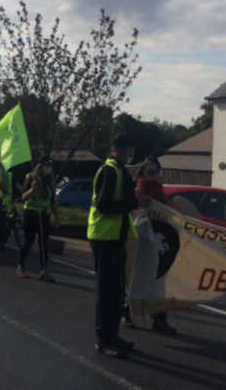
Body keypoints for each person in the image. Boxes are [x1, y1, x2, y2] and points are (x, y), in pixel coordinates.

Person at [87, 132, 144, 358]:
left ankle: (113, 336)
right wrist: (128, 204)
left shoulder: (120, 171)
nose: (131, 154)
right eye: (129, 149)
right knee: (107, 292)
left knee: (117, 292)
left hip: (116, 238)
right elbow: (103, 205)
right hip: (103, 238)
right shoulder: (109, 171)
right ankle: (103, 339)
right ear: (118, 149)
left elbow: (127, 200)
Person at [132, 156, 178, 335]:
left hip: (160, 243)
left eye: (158, 171)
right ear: (142, 174)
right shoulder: (140, 192)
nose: (156, 175)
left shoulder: (158, 191)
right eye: (151, 172)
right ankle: (139, 314)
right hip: (146, 243)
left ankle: (154, 317)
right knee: (146, 279)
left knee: (157, 282)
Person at [17, 157, 60, 281]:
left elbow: (52, 201)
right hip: (31, 214)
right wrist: (32, 190)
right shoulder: (31, 178)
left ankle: (44, 271)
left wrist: (56, 217)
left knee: (44, 244)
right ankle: (20, 266)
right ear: (40, 166)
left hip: (44, 215)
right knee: (28, 241)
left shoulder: (50, 180)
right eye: (47, 166)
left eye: (50, 167)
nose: (49, 169)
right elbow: (23, 197)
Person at [0, 169, 14, 251]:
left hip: (6, 205)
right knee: (1, 226)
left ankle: (1, 244)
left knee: (4, 227)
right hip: (0, 203)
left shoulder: (10, 175)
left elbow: (12, 188)